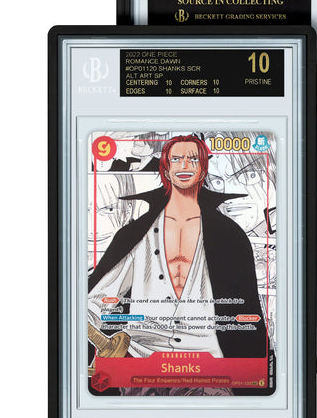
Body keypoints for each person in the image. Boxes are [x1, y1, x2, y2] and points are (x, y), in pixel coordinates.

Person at [88, 134, 266, 360]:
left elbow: (247, 310)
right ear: (165, 169)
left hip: (209, 361)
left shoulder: (230, 235)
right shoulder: (136, 234)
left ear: (203, 169)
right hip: (141, 356)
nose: (184, 165)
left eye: (193, 159)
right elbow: (98, 299)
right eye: (176, 159)